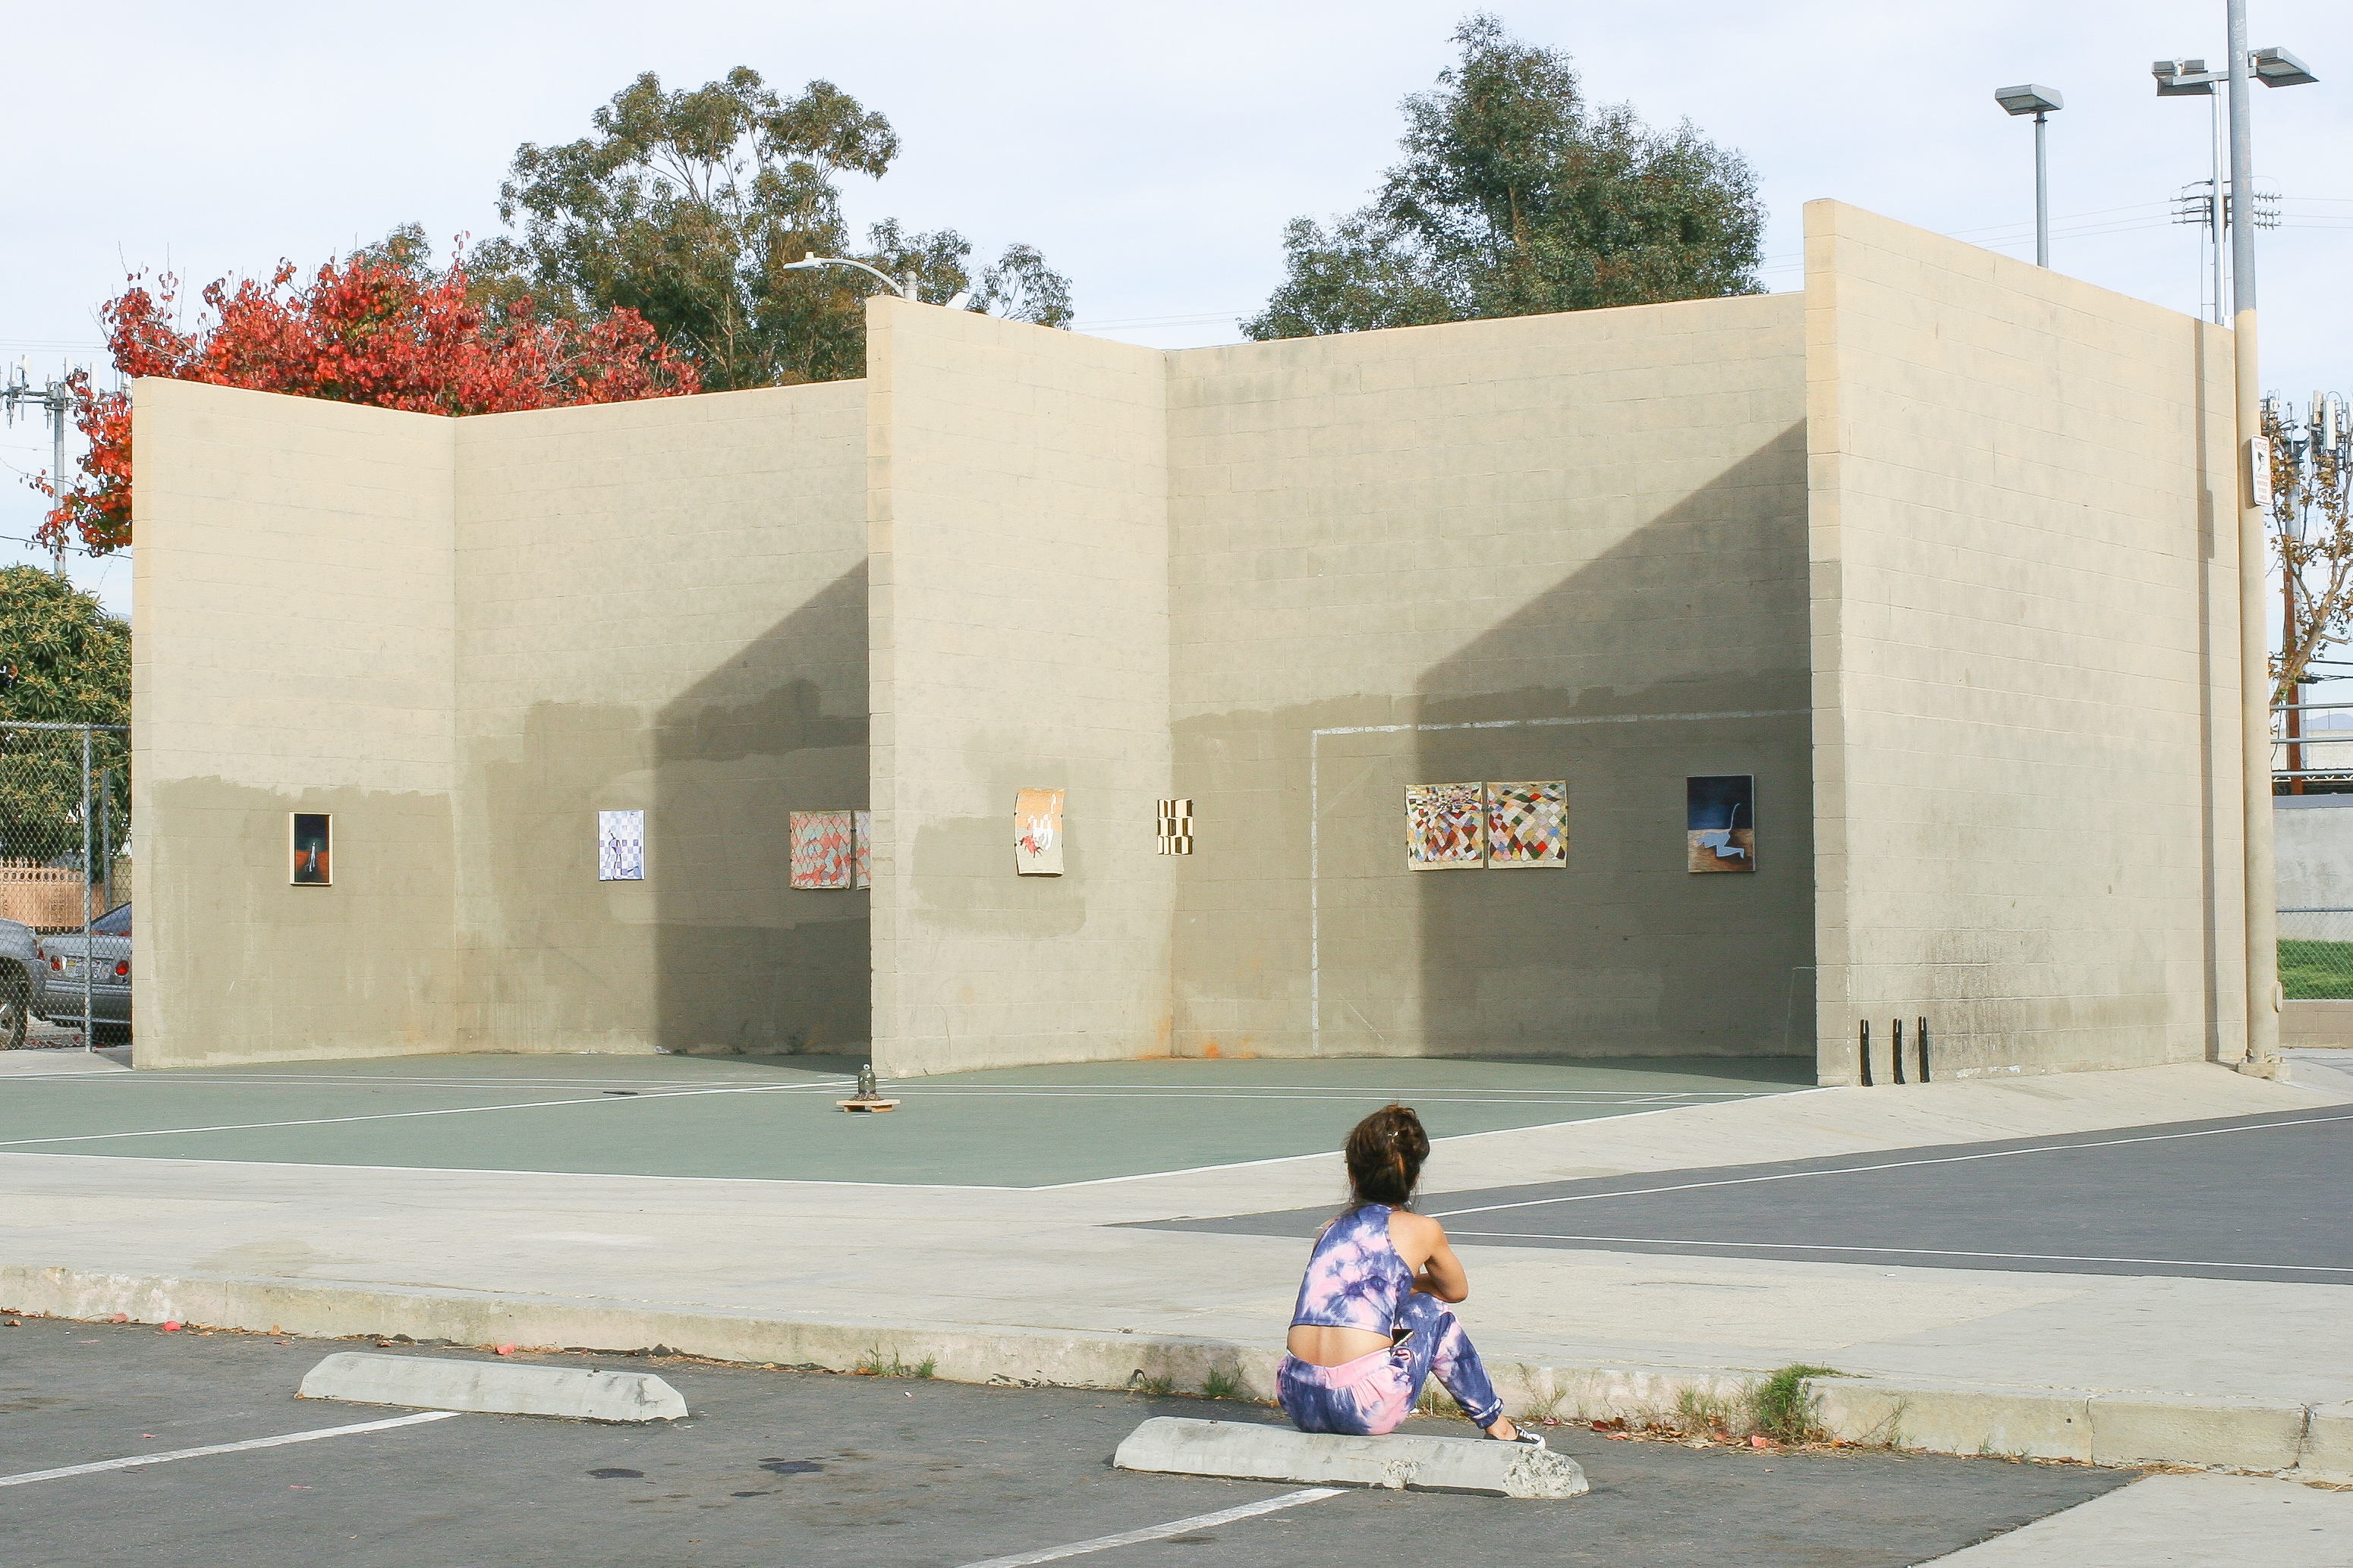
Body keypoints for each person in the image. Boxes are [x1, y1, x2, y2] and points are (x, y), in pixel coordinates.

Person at [1276, 1102, 1541, 1447]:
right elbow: (1455, 1291)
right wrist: (1403, 1283)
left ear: (1352, 1175)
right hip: (1363, 1407)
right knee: (1433, 1312)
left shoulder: (1329, 1229)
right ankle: (1500, 1427)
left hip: (1299, 1399)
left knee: (1377, 1310)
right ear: (1414, 1178)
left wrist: (1391, 1283)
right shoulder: (1423, 1229)